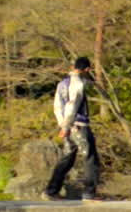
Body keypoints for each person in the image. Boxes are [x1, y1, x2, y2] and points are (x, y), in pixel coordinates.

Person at [42, 56, 100, 201]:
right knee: (90, 157)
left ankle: (51, 190)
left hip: (66, 126)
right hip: (78, 125)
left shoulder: (62, 84)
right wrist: (67, 126)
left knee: (67, 158)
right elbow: (72, 105)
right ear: (86, 69)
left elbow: (57, 106)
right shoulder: (78, 84)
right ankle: (89, 193)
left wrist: (62, 124)